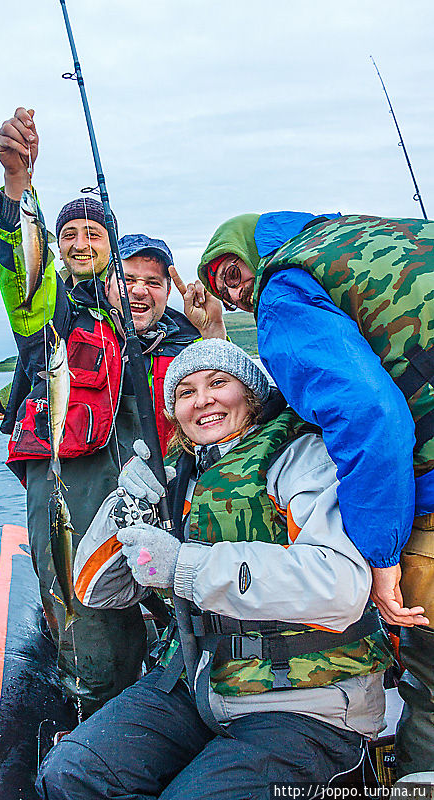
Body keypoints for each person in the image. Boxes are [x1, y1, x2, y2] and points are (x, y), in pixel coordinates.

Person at [35, 338, 392, 800]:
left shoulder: (301, 460)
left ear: (251, 394)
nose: (201, 399)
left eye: (217, 383)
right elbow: (98, 592)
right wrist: (120, 512)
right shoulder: (178, 479)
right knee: (71, 773)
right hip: (195, 683)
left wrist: (185, 565)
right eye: (184, 392)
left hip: (307, 700)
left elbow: (340, 585)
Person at [0, 107, 225, 717]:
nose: (82, 243)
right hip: (72, 481)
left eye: (96, 235)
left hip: (150, 485)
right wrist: (18, 187)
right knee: (84, 609)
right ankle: (99, 710)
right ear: (58, 250)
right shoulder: (53, 313)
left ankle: (182, 686)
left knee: (174, 603)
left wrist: (214, 330)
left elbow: (228, 402)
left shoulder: (168, 333)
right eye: (70, 235)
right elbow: (21, 277)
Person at [195, 210, 434, 777]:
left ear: (250, 248)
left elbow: (370, 416)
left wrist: (380, 557)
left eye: (231, 273)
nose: (236, 293)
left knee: (428, 685)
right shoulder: (378, 234)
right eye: (220, 289)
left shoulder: (285, 287)